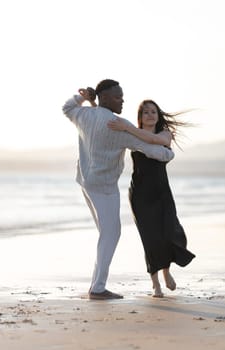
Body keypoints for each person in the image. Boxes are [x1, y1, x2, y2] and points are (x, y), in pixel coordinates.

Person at [62, 80, 175, 300]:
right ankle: (98, 288)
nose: (122, 101)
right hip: (105, 189)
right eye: (117, 97)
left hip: (85, 182)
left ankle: (96, 285)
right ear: (104, 97)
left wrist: (84, 98)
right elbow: (150, 149)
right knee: (111, 234)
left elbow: (67, 107)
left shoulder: (84, 115)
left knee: (106, 234)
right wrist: (169, 154)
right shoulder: (118, 125)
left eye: (122, 97)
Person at [107, 99, 195, 298]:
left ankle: (166, 271)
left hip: (162, 191)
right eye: (145, 112)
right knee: (150, 237)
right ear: (140, 117)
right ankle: (155, 283)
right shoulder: (131, 135)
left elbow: (155, 141)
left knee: (170, 231)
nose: (150, 115)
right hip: (140, 194)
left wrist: (128, 127)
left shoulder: (165, 134)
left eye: (153, 111)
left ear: (158, 115)